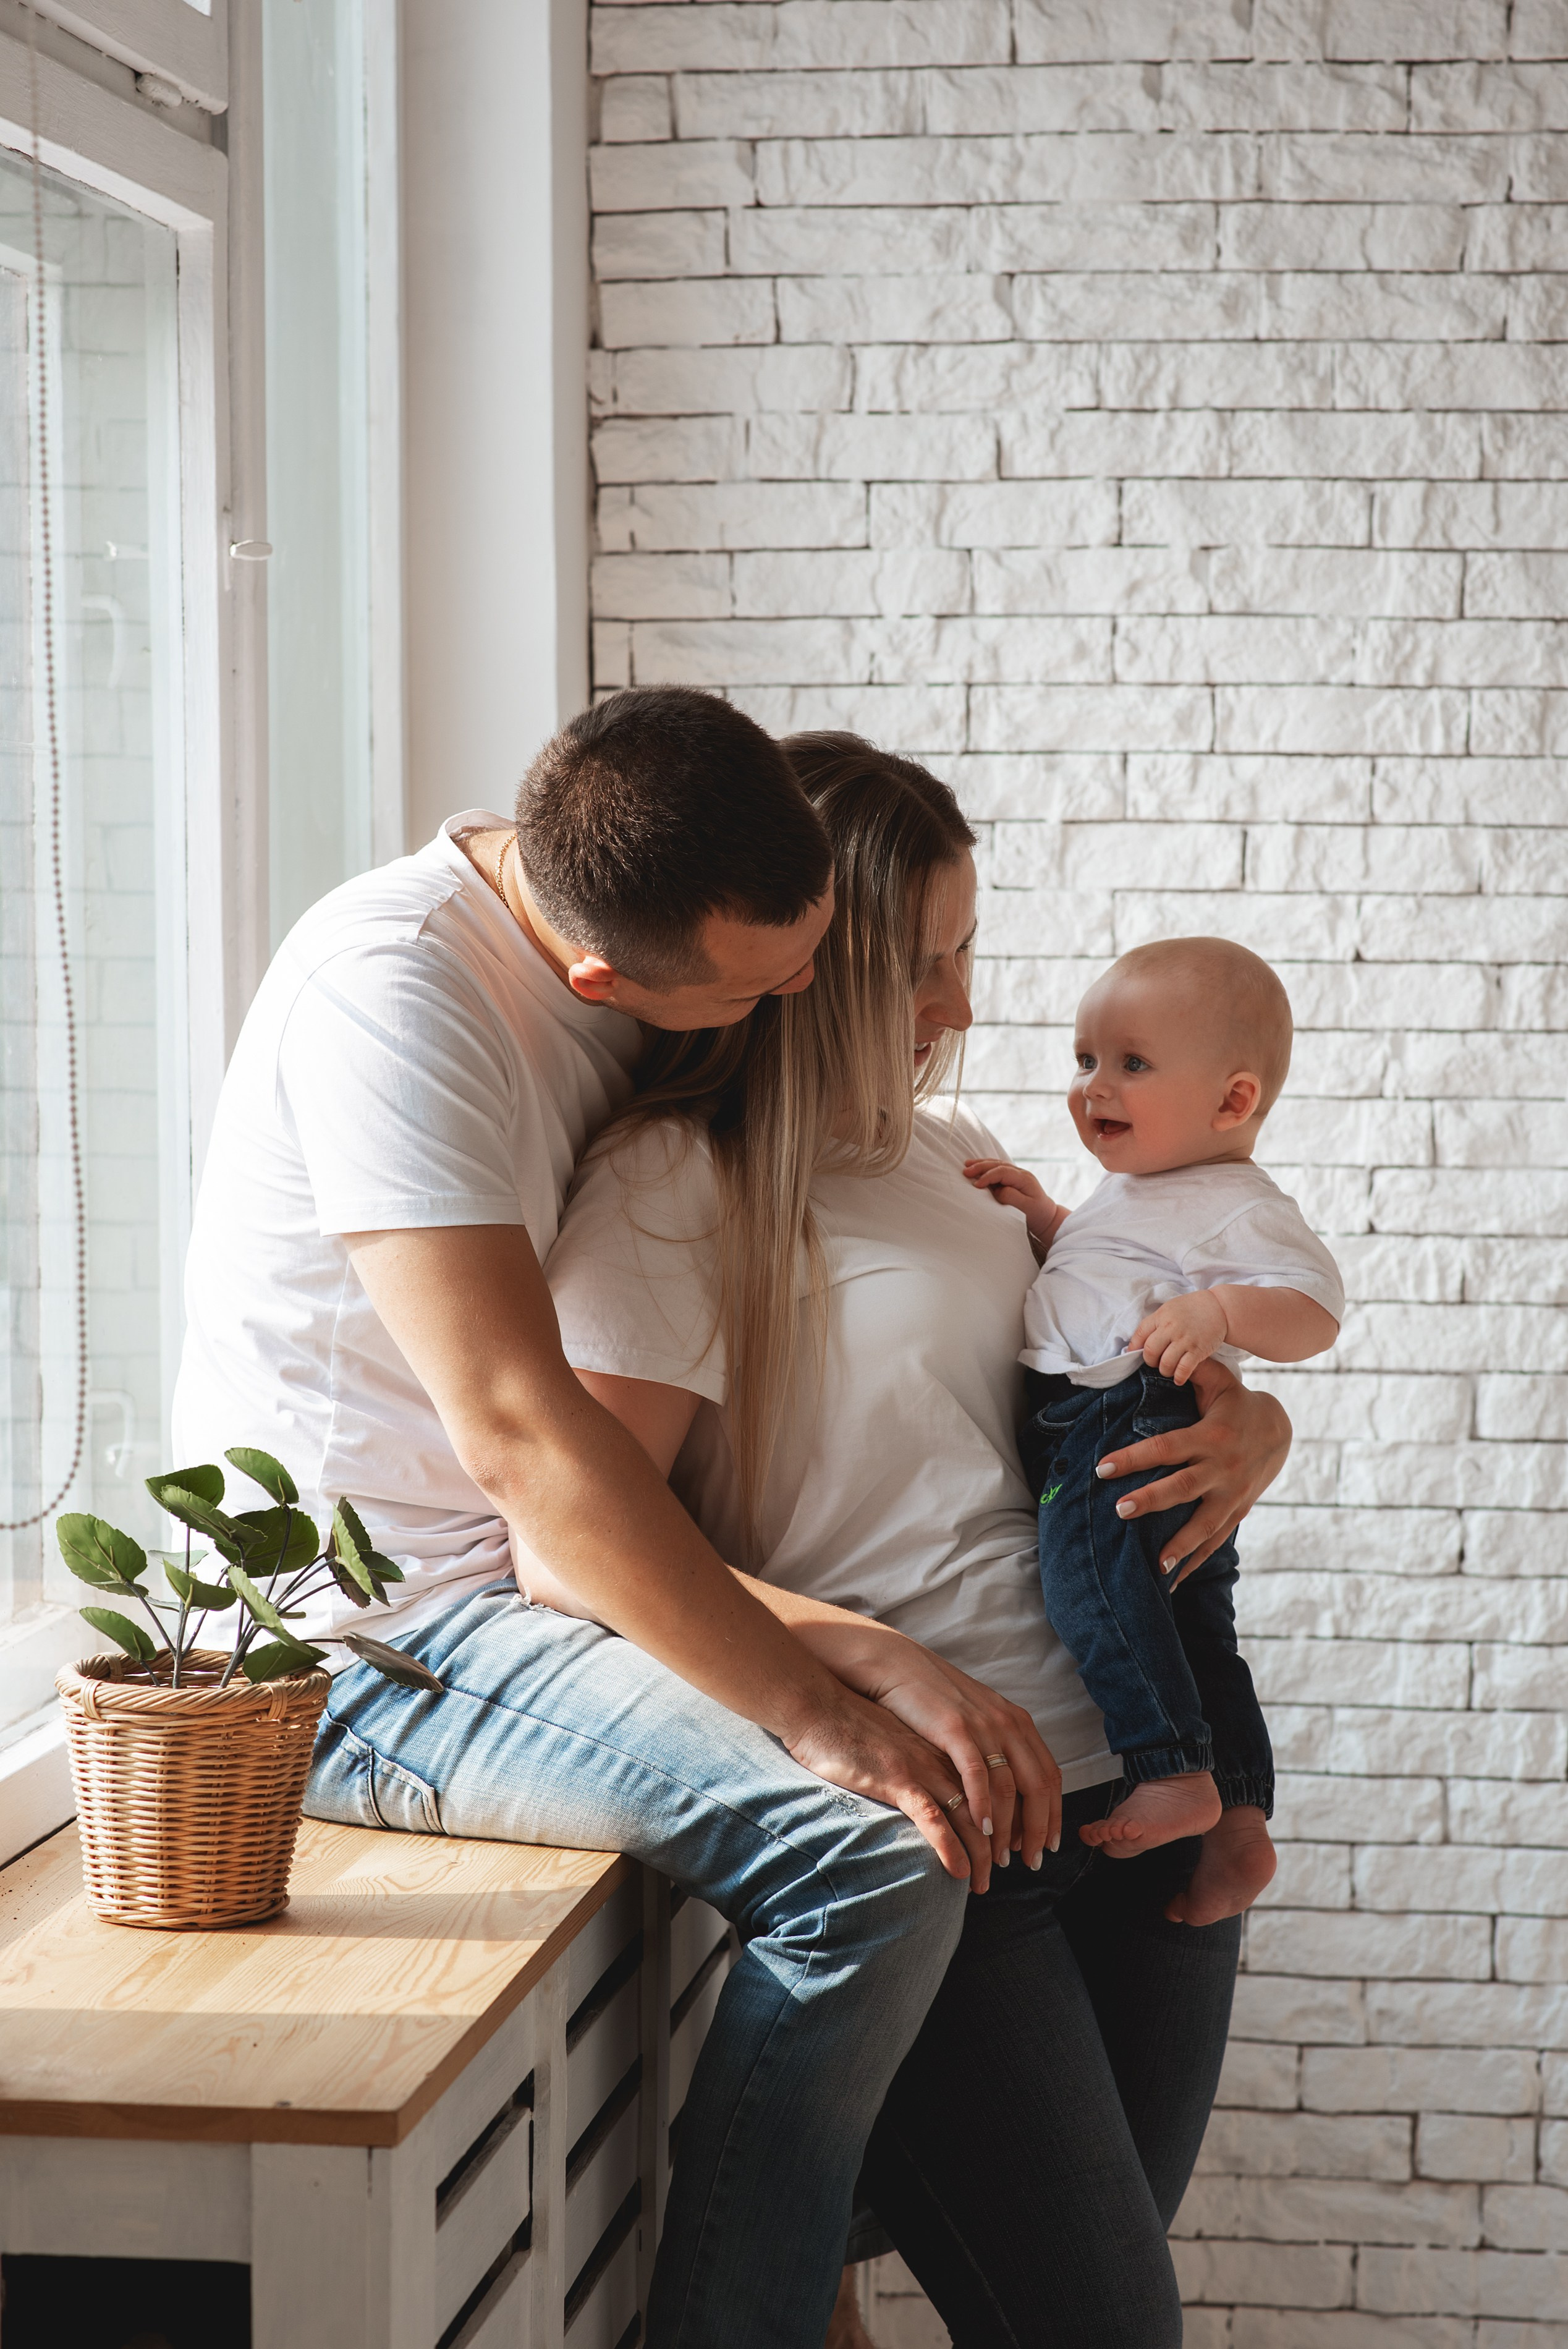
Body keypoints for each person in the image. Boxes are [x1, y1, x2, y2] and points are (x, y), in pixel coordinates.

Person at [539, 736, 1294, 2348]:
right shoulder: (674, 1189)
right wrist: (848, 1684)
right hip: (964, 1818)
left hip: (1152, 1782)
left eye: (966, 952)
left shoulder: (965, 1164)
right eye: (923, 962)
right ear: (812, 963)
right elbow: (586, 1547)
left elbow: (1087, 1406)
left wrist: (1256, 1427)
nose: (960, 1003)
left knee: (1094, 2275)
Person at [962, 938, 1342, 1890]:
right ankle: (1239, 1814)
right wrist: (1046, 1218)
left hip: (1123, 1417)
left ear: (1231, 1102)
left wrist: (1218, 1313)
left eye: (1130, 1064)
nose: (1093, 1086)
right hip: (1122, 1409)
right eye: (1084, 1059)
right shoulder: (1138, 1189)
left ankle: (1169, 1768)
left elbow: (1314, 1308)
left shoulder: (1232, 1202)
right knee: (1192, 1627)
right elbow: (1106, 1269)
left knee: (1085, 1581)